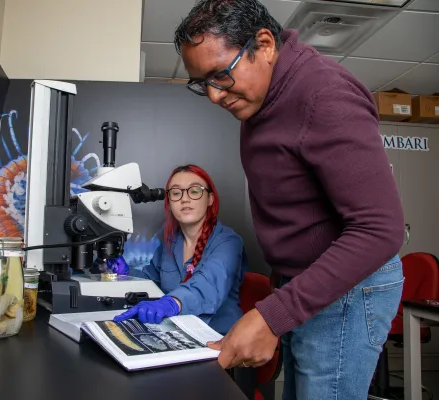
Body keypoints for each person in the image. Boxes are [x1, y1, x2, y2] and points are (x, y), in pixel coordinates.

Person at [173, 1, 405, 399]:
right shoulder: (258, 96)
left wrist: (271, 316)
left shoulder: (324, 96)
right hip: (307, 283)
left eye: (220, 75)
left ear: (264, 44)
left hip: (349, 288)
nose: (213, 95)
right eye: (201, 83)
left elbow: (380, 229)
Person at [111, 164, 248, 337]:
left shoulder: (228, 242)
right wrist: (125, 272)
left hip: (220, 339)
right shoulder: (170, 243)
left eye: (195, 191)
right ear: (169, 202)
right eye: (176, 193)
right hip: (177, 333)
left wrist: (171, 303)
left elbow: (208, 284)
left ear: (210, 199)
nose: (185, 199)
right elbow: (152, 280)